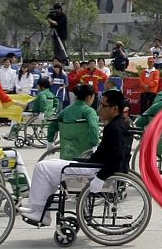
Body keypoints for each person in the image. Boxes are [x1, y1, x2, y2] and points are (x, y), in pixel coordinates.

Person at [20, 89, 131, 225]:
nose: (99, 109)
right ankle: (39, 209)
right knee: (51, 164)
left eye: (103, 106)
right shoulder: (119, 124)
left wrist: (100, 177)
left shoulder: (114, 128)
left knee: (42, 167)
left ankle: (40, 211)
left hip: (97, 170)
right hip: (95, 165)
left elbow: (117, 156)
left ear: (114, 108)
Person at [49, 83, 101, 160]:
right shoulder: (89, 111)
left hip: (67, 151)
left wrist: (50, 141)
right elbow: (93, 127)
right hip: (85, 151)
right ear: (89, 97)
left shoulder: (66, 110)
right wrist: (95, 144)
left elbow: (53, 124)